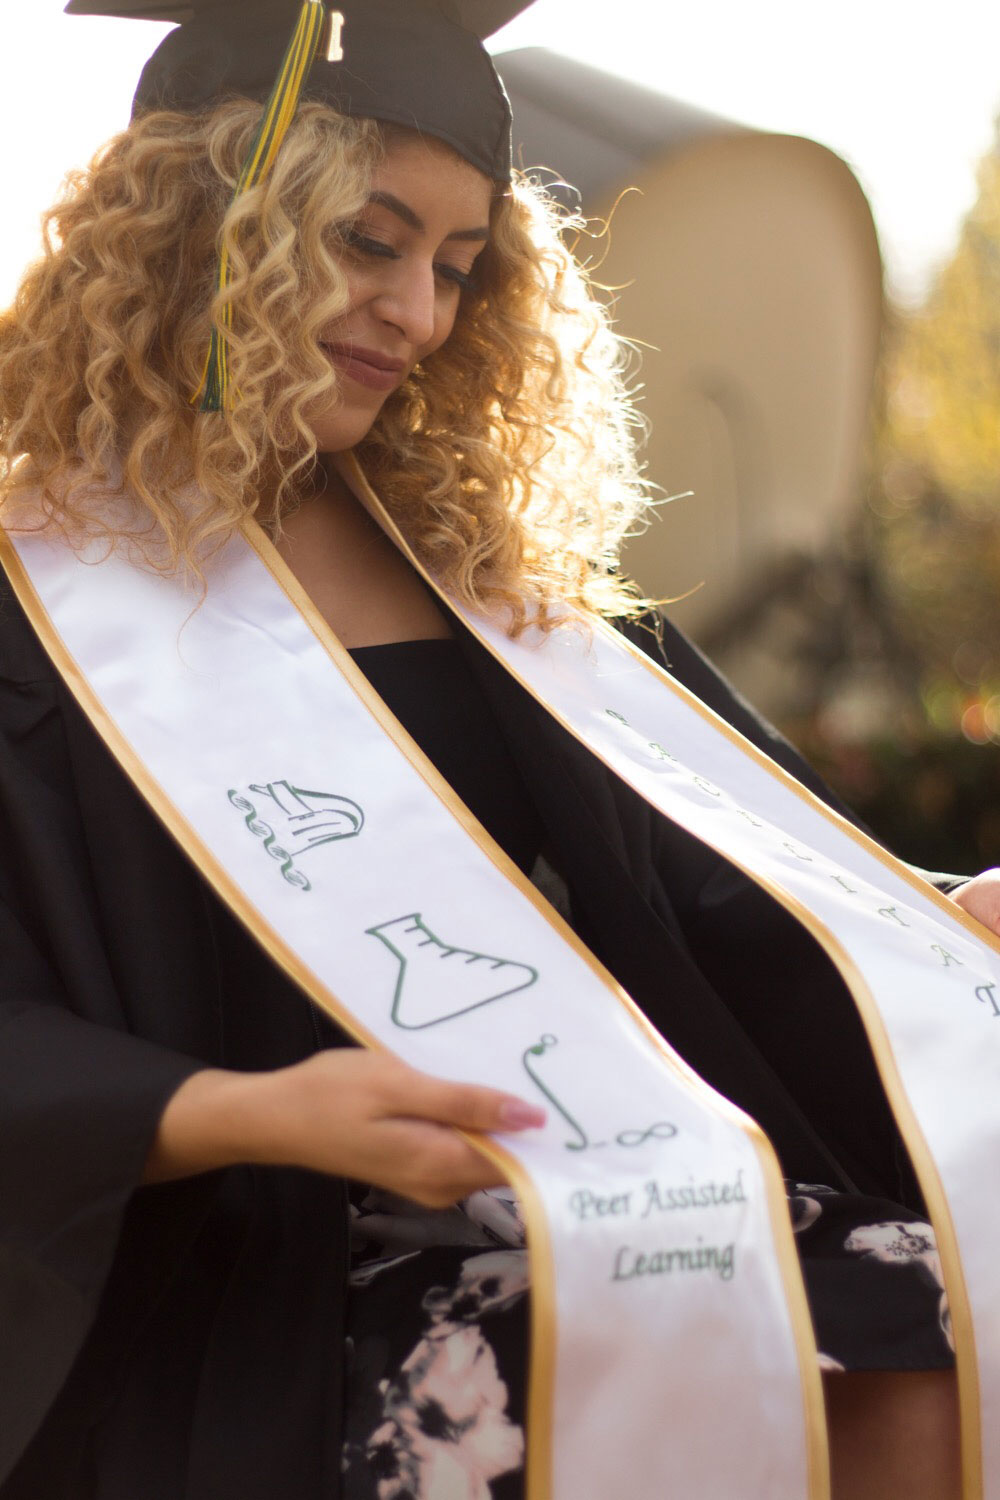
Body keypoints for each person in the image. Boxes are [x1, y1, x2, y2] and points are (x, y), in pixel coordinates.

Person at [1, 2, 998, 1496]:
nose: (418, 313)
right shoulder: (41, 591)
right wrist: (243, 1111)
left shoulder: (479, 571)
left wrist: (932, 909)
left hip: (566, 1189)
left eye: (460, 269)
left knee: (914, 1303)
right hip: (220, 1274)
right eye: (367, 242)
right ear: (206, 223)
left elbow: (720, 872)